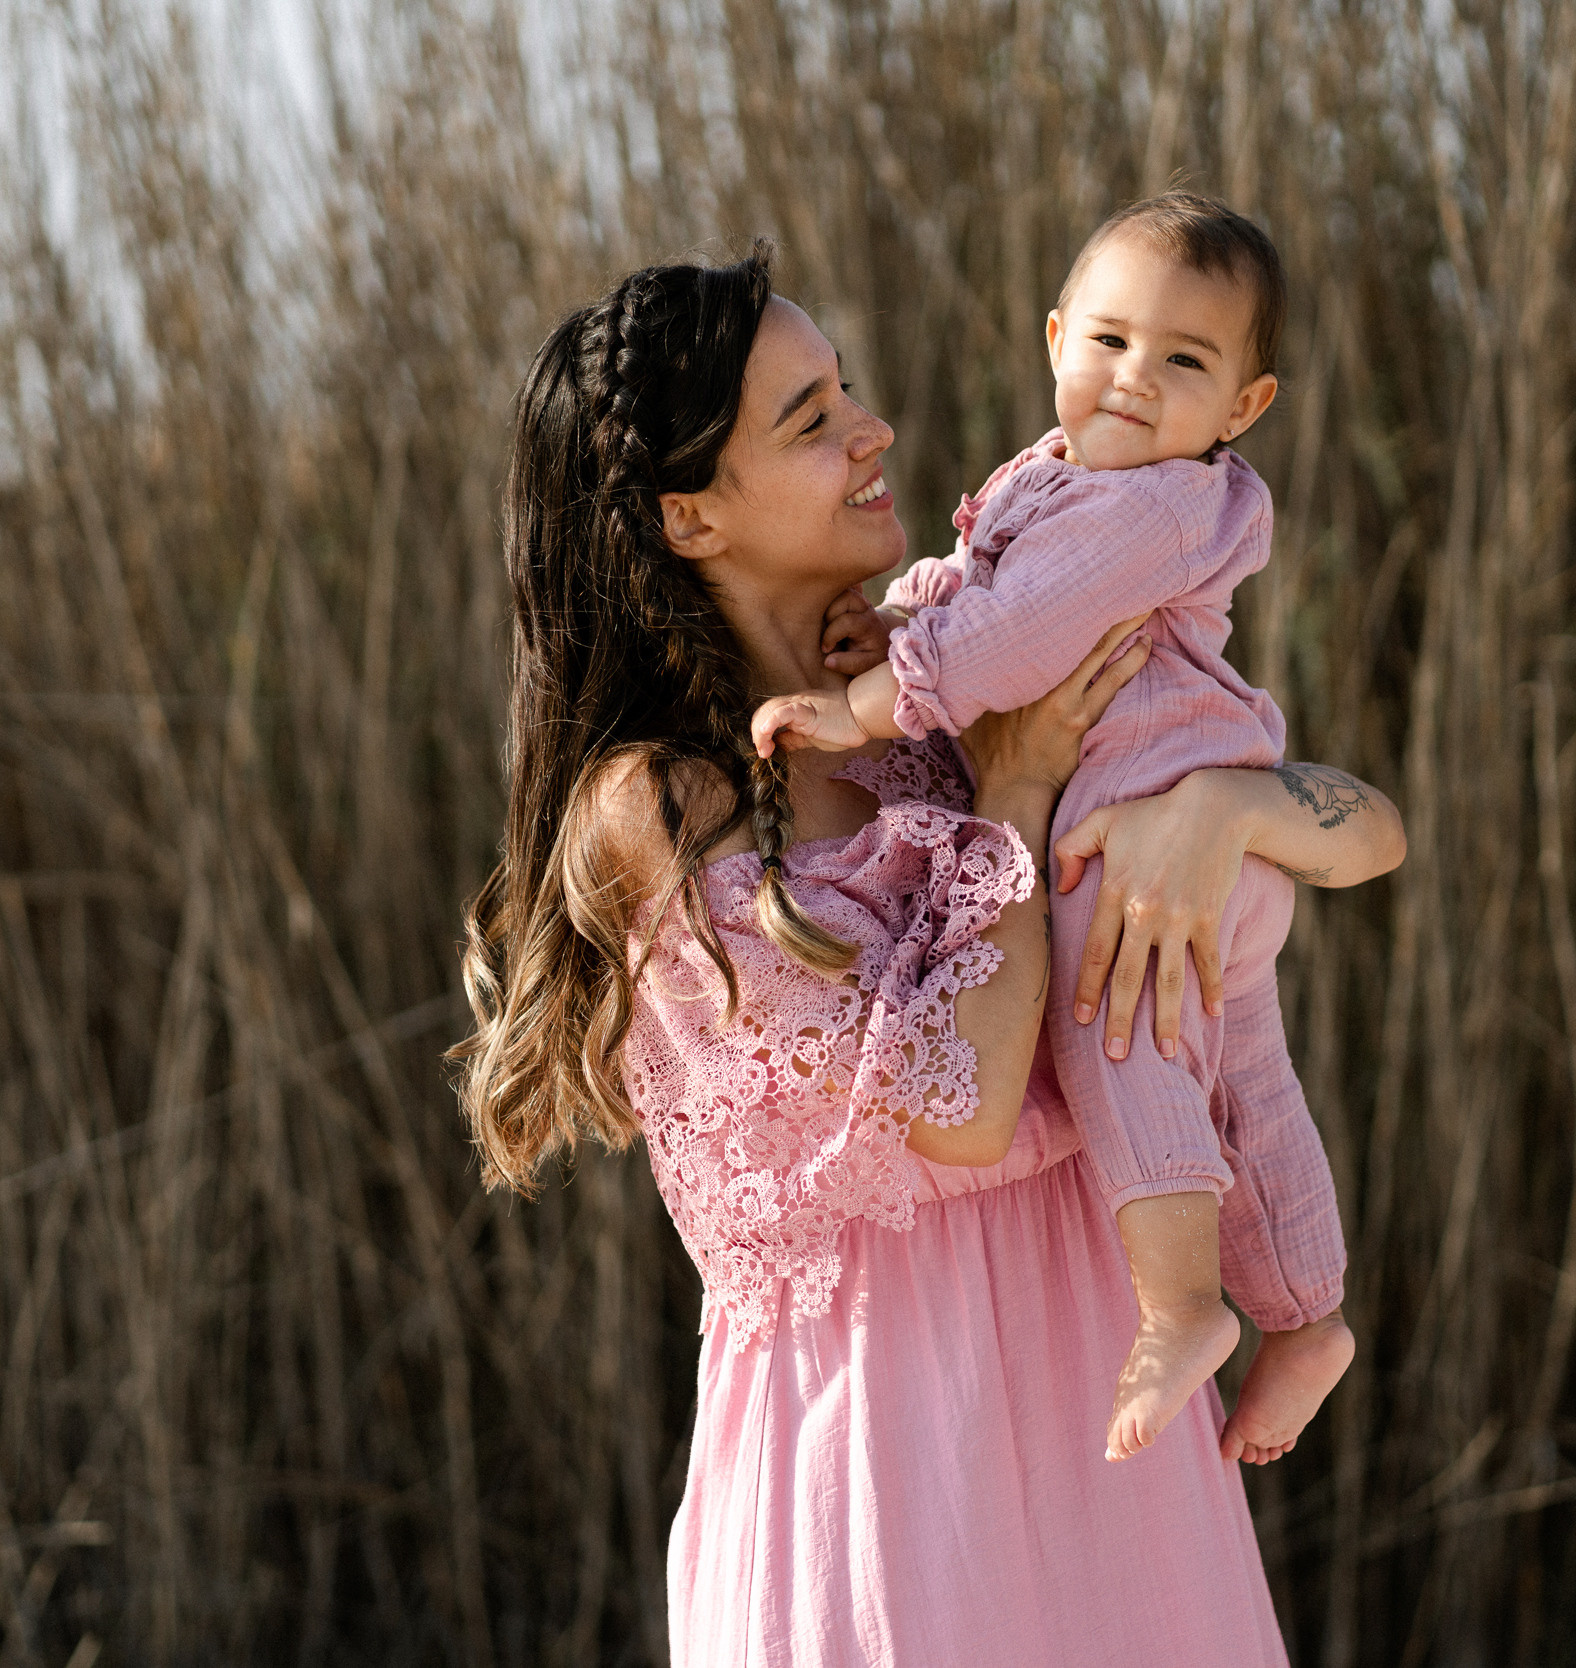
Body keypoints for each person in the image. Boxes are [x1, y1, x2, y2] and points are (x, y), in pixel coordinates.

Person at [454, 243, 1404, 1666]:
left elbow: (1373, 835)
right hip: (888, 1476)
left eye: (845, 390)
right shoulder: (660, 806)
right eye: (810, 416)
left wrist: (1225, 810)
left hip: (1108, 1420)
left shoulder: (948, 675)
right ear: (691, 517)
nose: (872, 429)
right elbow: (955, 1108)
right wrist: (1015, 790)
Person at [753, 191, 1357, 1462]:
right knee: (1245, 1076)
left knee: (1115, 1029)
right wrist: (905, 620)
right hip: (1207, 845)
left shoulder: (1160, 506)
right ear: (1053, 339)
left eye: (1185, 361)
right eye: (1109, 342)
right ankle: (1305, 1315)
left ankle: (1184, 1302)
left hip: (1153, 831)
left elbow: (1017, 634)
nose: (1135, 381)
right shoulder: (1060, 473)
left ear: (1242, 409)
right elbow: (981, 590)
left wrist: (864, 702)